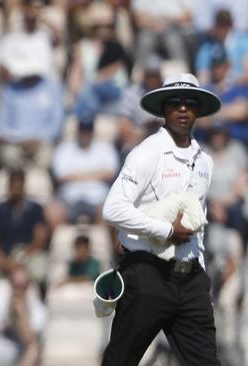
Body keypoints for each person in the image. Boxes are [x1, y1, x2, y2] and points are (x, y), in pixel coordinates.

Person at [101, 73, 222, 365]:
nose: (183, 108)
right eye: (175, 102)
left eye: (190, 102)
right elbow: (112, 209)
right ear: (164, 109)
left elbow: (198, 223)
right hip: (147, 274)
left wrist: (201, 274)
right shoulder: (146, 154)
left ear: (198, 110)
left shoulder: (204, 161)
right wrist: (166, 230)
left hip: (190, 279)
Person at [49, 118, 119, 226]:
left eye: (88, 131)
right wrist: (95, 175)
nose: (85, 135)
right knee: (53, 212)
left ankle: (101, 241)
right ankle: (61, 242)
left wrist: (75, 175)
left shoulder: (105, 148)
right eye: (82, 131)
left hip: (98, 198)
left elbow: (110, 173)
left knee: (109, 210)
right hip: (69, 198)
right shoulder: (64, 148)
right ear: (77, 131)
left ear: (93, 132)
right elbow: (60, 175)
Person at [0, 169, 49, 283]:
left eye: (19, 183)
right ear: (8, 186)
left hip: (28, 253)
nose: (16, 187)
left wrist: (22, 258)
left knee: (40, 271)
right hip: (4, 252)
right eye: (13, 183)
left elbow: (40, 239)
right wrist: (2, 259)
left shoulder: (35, 208)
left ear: (24, 186)